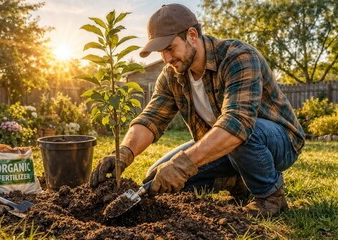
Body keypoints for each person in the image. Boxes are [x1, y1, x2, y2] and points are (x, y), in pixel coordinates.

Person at [90, 3, 305, 217]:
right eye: (161, 52)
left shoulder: (238, 57)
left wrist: (185, 163)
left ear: (192, 35)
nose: (166, 59)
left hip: (278, 141)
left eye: (170, 48)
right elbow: (151, 118)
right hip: (229, 145)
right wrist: (125, 152)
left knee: (238, 131)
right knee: (157, 180)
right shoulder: (172, 75)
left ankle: (270, 197)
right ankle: (236, 179)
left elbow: (238, 122)